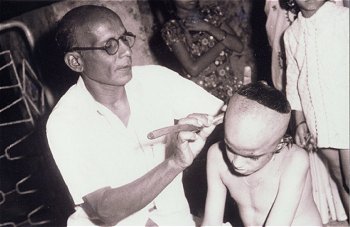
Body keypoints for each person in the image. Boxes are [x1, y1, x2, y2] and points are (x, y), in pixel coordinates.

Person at [46, 5, 224, 226]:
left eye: (125, 39)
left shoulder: (155, 80)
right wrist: (174, 163)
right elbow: (106, 210)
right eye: (109, 45)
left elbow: (223, 115)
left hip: (175, 219)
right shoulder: (66, 121)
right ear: (76, 61)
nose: (126, 51)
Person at [202, 82, 323, 226]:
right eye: (230, 148)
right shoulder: (216, 155)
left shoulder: (294, 160)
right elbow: (211, 223)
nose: (236, 163)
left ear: (279, 144)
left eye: (252, 156)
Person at [284, 0, 349, 221]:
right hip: (319, 117)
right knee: (341, 178)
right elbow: (293, 81)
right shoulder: (291, 33)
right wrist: (300, 120)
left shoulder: (344, 19)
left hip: (345, 112)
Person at [161, 0, 244, 102]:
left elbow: (239, 46)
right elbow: (193, 69)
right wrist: (223, 43)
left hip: (230, 88)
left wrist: (209, 27)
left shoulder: (211, 14)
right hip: (203, 97)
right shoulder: (172, 29)